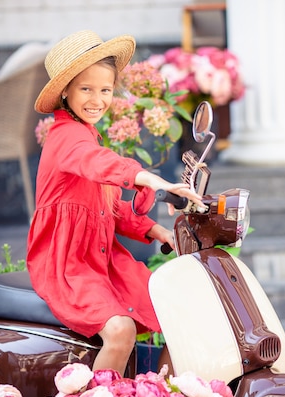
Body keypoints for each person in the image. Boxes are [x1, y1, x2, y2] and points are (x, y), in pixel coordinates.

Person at [27, 30, 202, 375]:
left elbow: (108, 207)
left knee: (175, 313)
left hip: (101, 259)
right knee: (120, 332)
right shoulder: (65, 137)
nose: (97, 99)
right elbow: (97, 163)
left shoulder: (90, 134)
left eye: (104, 90)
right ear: (65, 92)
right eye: (86, 89)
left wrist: (156, 230)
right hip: (67, 263)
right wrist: (150, 178)